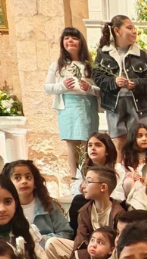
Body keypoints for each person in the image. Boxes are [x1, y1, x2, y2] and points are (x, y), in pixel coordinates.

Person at [93, 15, 147, 162]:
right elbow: (97, 77)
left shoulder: (141, 55)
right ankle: (119, 170)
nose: (134, 31)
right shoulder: (103, 53)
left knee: (138, 140)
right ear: (117, 31)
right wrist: (113, 81)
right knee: (118, 141)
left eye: (134, 28)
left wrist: (136, 83)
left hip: (137, 103)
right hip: (114, 103)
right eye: (129, 28)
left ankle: (139, 169)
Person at [45, 165, 125, 259]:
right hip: (89, 250)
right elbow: (79, 242)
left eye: (88, 181)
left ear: (103, 187)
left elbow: (121, 245)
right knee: (53, 244)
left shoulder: (119, 214)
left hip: (110, 254)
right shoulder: (84, 211)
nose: (83, 185)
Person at [45, 27, 100, 175]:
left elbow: (101, 89)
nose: (70, 41)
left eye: (74, 38)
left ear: (81, 42)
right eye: (66, 38)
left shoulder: (90, 65)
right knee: (71, 145)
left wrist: (89, 88)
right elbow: (48, 87)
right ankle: (74, 179)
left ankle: (87, 177)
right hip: (68, 106)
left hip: (87, 105)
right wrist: (62, 86)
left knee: (87, 143)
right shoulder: (57, 65)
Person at [2, 160, 73, 245]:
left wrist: (42, 240)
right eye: (17, 178)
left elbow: (66, 233)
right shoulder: (5, 209)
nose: (24, 181)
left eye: (28, 177)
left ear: (35, 182)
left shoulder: (49, 206)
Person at [69, 133, 126, 234]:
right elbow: (74, 188)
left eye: (98, 145)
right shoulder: (83, 167)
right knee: (77, 200)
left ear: (107, 151)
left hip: (108, 202)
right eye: (90, 145)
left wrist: (98, 193)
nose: (93, 148)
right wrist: (81, 188)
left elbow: (119, 195)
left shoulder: (117, 169)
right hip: (88, 200)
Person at [120, 124, 147, 195]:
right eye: (140, 136)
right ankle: (131, 201)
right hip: (133, 182)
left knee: (141, 185)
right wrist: (132, 175)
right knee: (128, 182)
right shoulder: (128, 155)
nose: (144, 139)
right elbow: (124, 172)